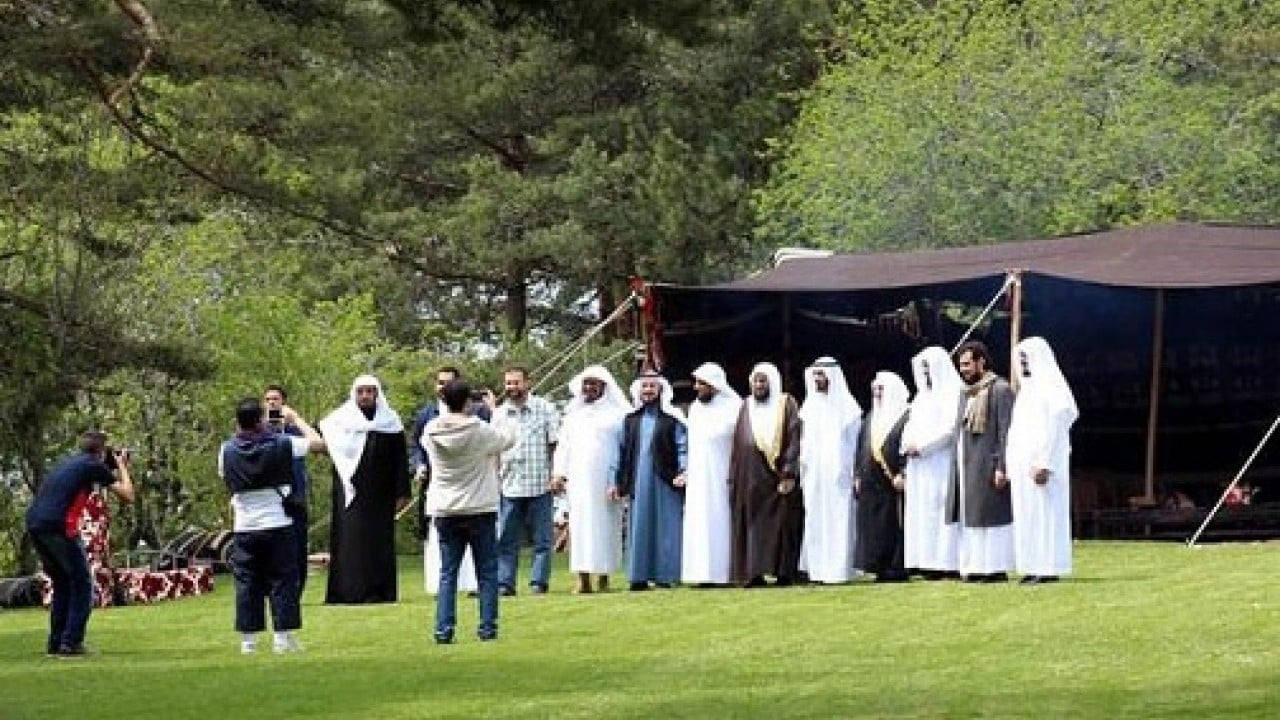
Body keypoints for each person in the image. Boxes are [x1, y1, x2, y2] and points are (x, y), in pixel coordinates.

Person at [220, 398, 325, 654]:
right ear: (260, 420)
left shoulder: (227, 450)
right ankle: (282, 637)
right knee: (282, 581)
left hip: (245, 525)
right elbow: (319, 443)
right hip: (278, 522)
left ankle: (248, 641)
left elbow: (226, 477)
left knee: (247, 582)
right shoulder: (283, 443)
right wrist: (295, 419)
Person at [422, 379, 518, 643]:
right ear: (468, 402)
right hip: (479, 507)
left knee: (448, 572)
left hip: (446, 508)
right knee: (487, 572)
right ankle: (487, 628)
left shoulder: (431, 430)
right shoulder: (480, 430)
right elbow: (508, 439)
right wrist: (495, 410)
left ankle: (444, 629)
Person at [26, 431, 135, 657]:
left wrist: (110, 465)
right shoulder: (92, 465)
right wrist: (122, 466)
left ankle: (56, 643)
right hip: (59, 526)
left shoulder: (71, 463)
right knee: (83, 584)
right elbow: (127, 495)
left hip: (36, 524)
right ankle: (72, 642)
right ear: (101, 451)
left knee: (63, 583)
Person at [320, 375, 411, 604]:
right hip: (350, 492)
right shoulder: (340, 420)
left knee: (379, 543)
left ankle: (380, 592)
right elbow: (324, 440)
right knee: (351, 542)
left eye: (370, 391)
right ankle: (349, 592)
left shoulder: (390, 421)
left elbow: (400, 458)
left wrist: (402, 492)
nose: (365, 396)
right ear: (355, 394)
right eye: (361, 391)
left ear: (377, 393)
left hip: (381, 492)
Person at [550, 365, 629, 594]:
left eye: (594, 383)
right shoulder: (573, 413)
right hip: (579, 479)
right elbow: (563, 445)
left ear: (604, 386)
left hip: (607, 480)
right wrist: (558, 473)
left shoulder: (618, 414)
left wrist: (621, 479)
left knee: (607, 527)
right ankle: (582, 578)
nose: (589, 388)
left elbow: (625, 448)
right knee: (581, 527)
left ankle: (604, 576)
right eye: (586, 383)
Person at [1008, 337, 1078, 585]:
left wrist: (1045, 462)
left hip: (1044, 465)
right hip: (1023, 466)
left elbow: (1060, 423)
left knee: (1046, 516)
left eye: (1027, 359)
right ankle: (1031, 565)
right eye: (1021, 359)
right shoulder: (1025, 393)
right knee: (1027, 515)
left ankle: (1048, 566)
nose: (1024, 364)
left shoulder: (1052, 388)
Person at [728, 362, 803, 588]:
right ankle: (754, 573)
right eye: (756, 381)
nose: (759, 385)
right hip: (749, 478)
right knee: (751, 528)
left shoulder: (786, 404)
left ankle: (783, 573)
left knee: (781, 526)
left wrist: (789, 473)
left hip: (777, 478)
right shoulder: (745, 406)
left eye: (763, 381)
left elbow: (794, 438)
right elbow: (738, 443)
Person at [410, 367, 482, 597]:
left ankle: (472, 584)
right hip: (435, 485)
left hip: (471, 485)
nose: (443, 388)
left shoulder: (476, 414)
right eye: (440, 383)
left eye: (448, 383)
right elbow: (416, 447)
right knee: (436, 534)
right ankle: (439, 585)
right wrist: (419, 466)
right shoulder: (426, 415)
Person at [949, 340, 1016, 583]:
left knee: (991, 518)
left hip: (988, 465)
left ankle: (994, 569)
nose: (963, 369)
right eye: (960, 365)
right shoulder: (966, 393)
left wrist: (1002, 466)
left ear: (981, 362)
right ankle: (976, 567)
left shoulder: (1000, 389)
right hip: (967, 467)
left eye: (967, 364)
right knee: (972, 519)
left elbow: (1006, 430)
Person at [616, 372, 687, 591]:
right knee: (640, 528)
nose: (648, 390)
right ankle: (638, 576)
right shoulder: (630, 420)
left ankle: (665, 576)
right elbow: (621, 451)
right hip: (638, 481)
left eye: (652, 386)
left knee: (666, 528)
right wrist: (618, 481)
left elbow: (682, 446)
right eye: (644, 386)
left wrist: (683, 471)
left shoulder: (672, 419)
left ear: (661, 390)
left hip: (666, 479)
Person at [494, 366, 560, 596]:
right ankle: (505, 583)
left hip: (540, 482)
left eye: (516, 383)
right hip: (510, 484)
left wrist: (555, 474)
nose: (512, 387)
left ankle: (538, 582)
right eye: (509, 383)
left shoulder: (545, 409)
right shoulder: (499, 414)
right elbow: (494, 451)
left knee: (542, 539)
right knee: (506, 539)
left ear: (528, 383)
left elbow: (554, 445)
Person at [900, 347, 964, 580]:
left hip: (941, 462)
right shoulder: (920, 397)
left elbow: (950, 430)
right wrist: (907, 445)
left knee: (941, 511)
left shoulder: (954, 392)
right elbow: (909, 426)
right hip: (918, 466)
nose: (925, 373)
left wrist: (924, 447)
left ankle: (947, 562)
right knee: (921, 512)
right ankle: (927, 561)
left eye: (929, 367)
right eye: (922, 368)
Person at [797, 357, 862, 585]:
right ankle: (817, 571)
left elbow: (856, 445)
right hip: (814, 476)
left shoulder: (849, 408)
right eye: (815, 375)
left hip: (839, 476)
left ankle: (838, 570)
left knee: (839, 520)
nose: (817, 380)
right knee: (815, 520)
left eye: (821, 375)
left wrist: (855, 473)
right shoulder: (809, 406)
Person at [681, 363, 740, 587]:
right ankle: (701, 573)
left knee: (721, 522)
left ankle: (724, 573)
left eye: (701, 383)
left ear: (714, 385)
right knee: (699, 523)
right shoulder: (695, 409)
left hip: (723, 475)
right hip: (698, 478)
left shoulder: (734, 407)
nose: (697, 387)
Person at [854, 371, 911, 583]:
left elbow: (906, 447)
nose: (877, 394)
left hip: (893, 481)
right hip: (870, 482)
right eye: (875, 389)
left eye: (881, 389)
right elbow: (861, 448)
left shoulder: (905, 416)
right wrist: (858, 474)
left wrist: (903, 473)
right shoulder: (871, 416)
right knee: (873, 526)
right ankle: (876, 565)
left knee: (893, 524)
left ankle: (895, 567)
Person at [263, 384, 312, 591]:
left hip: (295, 495)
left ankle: (298, 586)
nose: (272, 403)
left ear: (284, 403)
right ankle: (271, 587)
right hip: (269, 497)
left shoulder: (293, 431)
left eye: (276, 399)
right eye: (267, 400)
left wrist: (295, 419)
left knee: (298, 544)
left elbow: (316, 442)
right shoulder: (259, 431)